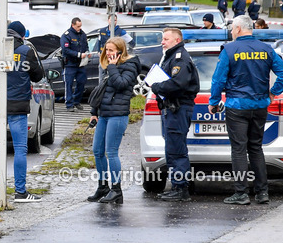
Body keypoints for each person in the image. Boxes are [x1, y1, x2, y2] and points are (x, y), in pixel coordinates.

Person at [209, 15, 283, 205]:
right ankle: (262, 193)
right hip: (260, 106)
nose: (230, 32)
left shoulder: (229, 50)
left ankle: (241, 193)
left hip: (237, 106)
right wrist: (273, 93)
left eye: (231, 29)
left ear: (238, 29)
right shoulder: (266, 49)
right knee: (256, 148)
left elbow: (218, 80)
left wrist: (213, 101)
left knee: (238, 150)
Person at [0, 21, 43, 203]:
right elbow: (38, 75)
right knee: (20, 148)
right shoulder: (25, 51)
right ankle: (20, 192)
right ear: (21, 36)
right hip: (18, 105)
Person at [86, 36, 141, 204]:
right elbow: (101, 90)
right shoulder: (109, 66)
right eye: (106, 50)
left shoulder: (129, 65)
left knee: (111, 152)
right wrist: (94, 111)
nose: (108, 53)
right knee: (97, 150)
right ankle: (103, 187)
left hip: (117, 115)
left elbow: (121, 84)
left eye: (111, 50)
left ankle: (116, 190)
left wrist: (112, 67)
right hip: (104, 114)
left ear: (120, 51)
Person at [149, 27, 201, 201]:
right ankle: (177, 185)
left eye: (166, 39)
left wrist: (156, 87)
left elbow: (177, 84)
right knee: (172, 148)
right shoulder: (171, 56)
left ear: (177, 40)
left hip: (177, 109)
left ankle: (181, 189)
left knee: (177, 150)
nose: (162, 42)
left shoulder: (180, 58)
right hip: (171, 109)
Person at [60, 18, 93, 111]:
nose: (79, 28)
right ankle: (69, 104)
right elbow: (65, 50)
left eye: (80, 26)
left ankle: (76, 101)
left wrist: (87, 53)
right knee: (69, 84)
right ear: (73, 25)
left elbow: (85, 46)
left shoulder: (82, 34)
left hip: (80, 64)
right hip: (70, 64)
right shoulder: (66, 35)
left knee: (82, 82)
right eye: (78, 26)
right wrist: (78, 54)